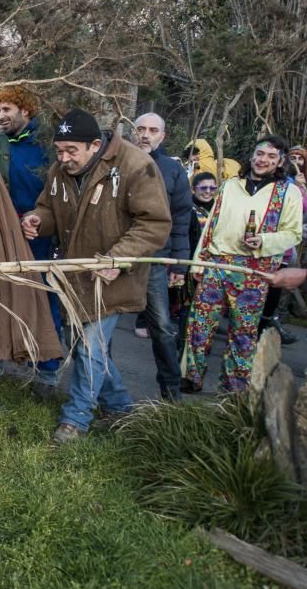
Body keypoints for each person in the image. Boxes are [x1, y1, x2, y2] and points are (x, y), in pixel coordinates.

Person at [21, 109, 171, 444]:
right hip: (74, 275)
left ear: (94, 145)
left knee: (91, 347)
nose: (64, 158)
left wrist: (119, 257)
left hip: (112, 278)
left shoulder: (135, 165)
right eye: (59, 151)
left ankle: (76, 419)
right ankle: (119, 406)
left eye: (71, 151)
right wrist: (36, 220)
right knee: (82, 346)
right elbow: (48, 207)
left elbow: (154, 224)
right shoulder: (60, 170)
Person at [181, 135, 303, 394]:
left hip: (254, 269)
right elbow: (211, 225)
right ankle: (191, 376)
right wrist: (198, 262)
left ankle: (234, 386)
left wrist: (264, 240)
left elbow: (293, 233)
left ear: (280, 161)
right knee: (200, 323)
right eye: (260, 154)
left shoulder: (288, 191)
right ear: (252, 156)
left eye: (271, 156)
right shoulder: (230, 185)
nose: (263, 160)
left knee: (243, 330)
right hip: (217, 261)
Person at [0, 85, 63, 398]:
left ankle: (49, 370)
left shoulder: (46, 145)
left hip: (39, 233)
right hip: (6, 231)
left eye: (7, 110)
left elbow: (56, 190)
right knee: (4, 291)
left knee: (43, 296)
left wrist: (41, 221)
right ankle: (5, 356)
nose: (0, 116)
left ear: (25, 110)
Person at [131, 112, 191, 401]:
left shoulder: (172, 170)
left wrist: (179, 260)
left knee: (164, 329)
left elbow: (181, 218)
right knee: (99, 324)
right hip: (118, 259)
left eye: (152, 130)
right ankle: (101, 393)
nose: (145, 134)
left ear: (162, 136)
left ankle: (171, 392)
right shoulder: (118, 164)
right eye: (140, 128)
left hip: (155, 261)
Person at [174, 172, 218, 351]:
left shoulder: (218, 209)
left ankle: (200, 343)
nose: (208, 192)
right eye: (203, 188)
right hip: (190, 263)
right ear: (194, 189)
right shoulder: (187, 209)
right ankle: (184, 342)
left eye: (212, 188)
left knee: (208, 306)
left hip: (213, 266)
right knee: (188, 305)